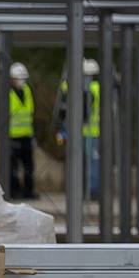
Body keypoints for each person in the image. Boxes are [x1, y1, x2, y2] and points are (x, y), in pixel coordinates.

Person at [56, 59, 102, 198]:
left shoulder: (92, 89)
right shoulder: (85, 87)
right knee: (86, 162)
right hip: (85, 132)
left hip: (89, 132)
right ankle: (85, 189)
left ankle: (90, 190)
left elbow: (84, 111)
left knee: (88, 163)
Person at [7, 61, 36, 199]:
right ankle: (14, 191)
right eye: (19, 78)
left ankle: (28, 192)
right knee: (13, 168)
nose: (21, 81)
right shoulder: (8, 94)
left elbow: (30, 114)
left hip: (27, 136)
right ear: (11, 78)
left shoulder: (28, 91)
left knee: (29, 167)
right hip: (12, 136)